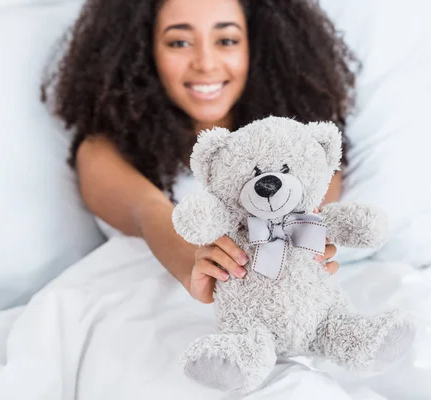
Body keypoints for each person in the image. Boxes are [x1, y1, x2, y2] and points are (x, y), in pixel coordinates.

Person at [42, 0, 357, 304]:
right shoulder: (103, 151)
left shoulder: (299, 146)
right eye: (179, 43)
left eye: (226, 40)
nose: (205, 63)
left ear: (257, 46)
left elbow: (310, 206)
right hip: (137, 310)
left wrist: (305, 248)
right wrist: (196, 259)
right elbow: (149, 213)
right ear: (142, 48)